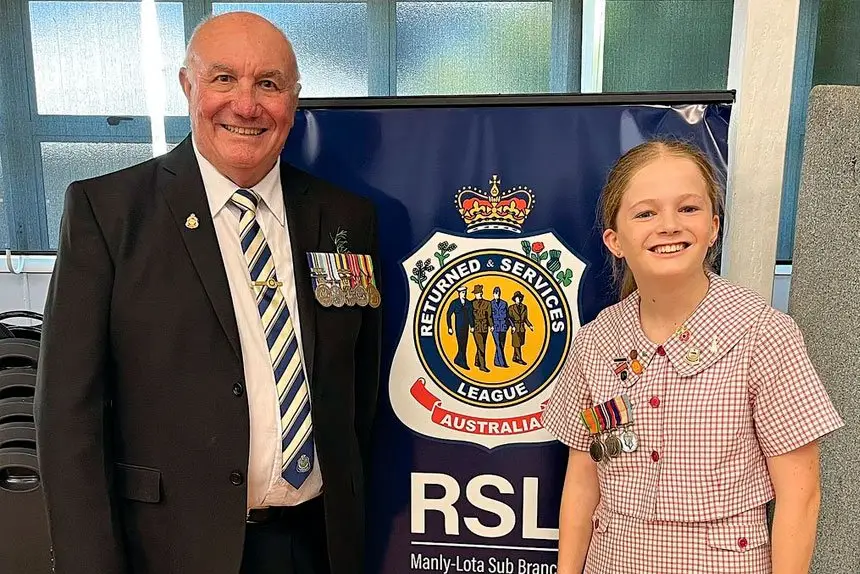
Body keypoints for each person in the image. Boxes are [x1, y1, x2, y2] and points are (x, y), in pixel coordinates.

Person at [34, 12, 381, 574]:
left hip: (314, 544)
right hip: (168, 548)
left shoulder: (345, 216)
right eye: (224, 79)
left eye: (268, 84)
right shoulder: (109, 214)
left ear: (293, 101)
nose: (246, 105)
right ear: (187, 85)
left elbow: (358, 388)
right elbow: (68, 419)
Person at [541, 139, 843, 574]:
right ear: (615, 240)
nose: (668, 225)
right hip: (614, 560)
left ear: (714, 226)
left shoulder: (763, 334)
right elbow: (584, 475)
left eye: (688, 209)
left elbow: (801, 493)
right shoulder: (596, 341)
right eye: (645, 213)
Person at [446, 285, 473, 370]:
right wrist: (449, 327)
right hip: (458, 326)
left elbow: (470, 316)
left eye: (465, 292)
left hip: (466, 327)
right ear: (459, 293)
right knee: (461, 344)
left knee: (464, 344)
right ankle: (463, 362)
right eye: (462, 292)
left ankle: (458, 359)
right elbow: (448, 314)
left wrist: (472, 326)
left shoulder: (468, 303)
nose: (464, 294)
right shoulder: (454, 303)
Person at [470, 284, 493, 372]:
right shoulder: (471, 303)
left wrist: (491, 326)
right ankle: (482, 366)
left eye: (478, 293)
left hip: (484, 327)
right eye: (476, 293)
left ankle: (477, 361)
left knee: (481, 345)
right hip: (476, 327)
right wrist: (471, 326)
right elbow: (470, 316)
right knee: (481, 347)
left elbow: (489, 316)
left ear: (481, 293)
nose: (477, 294)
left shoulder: (487, 303)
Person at [508, 291, 533, 365]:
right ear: (514, 299)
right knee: (517, 344)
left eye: (519, 298)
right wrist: (512, 326)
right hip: (515, 328)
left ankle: (514, 357)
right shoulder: (511, 308)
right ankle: (520, 358)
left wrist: (530, 325)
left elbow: (525, 318)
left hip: (522, 328)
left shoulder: (524, 307)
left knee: (520, 343)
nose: (518, 299)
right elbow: (509, 318)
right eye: (517, 298)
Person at [490, 286, 510, 368]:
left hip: (503, 327)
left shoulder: (504, 303)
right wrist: (491, 325)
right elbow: (489, 316)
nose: (497, 295)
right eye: (495, 294)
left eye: (498, 294)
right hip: (495, 327)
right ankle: (503, 363)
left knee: (501, 345)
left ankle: (496, 361)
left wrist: (511, 326)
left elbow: (508, 316)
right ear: (493, 294)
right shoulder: (490, 304)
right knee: (498, 344)